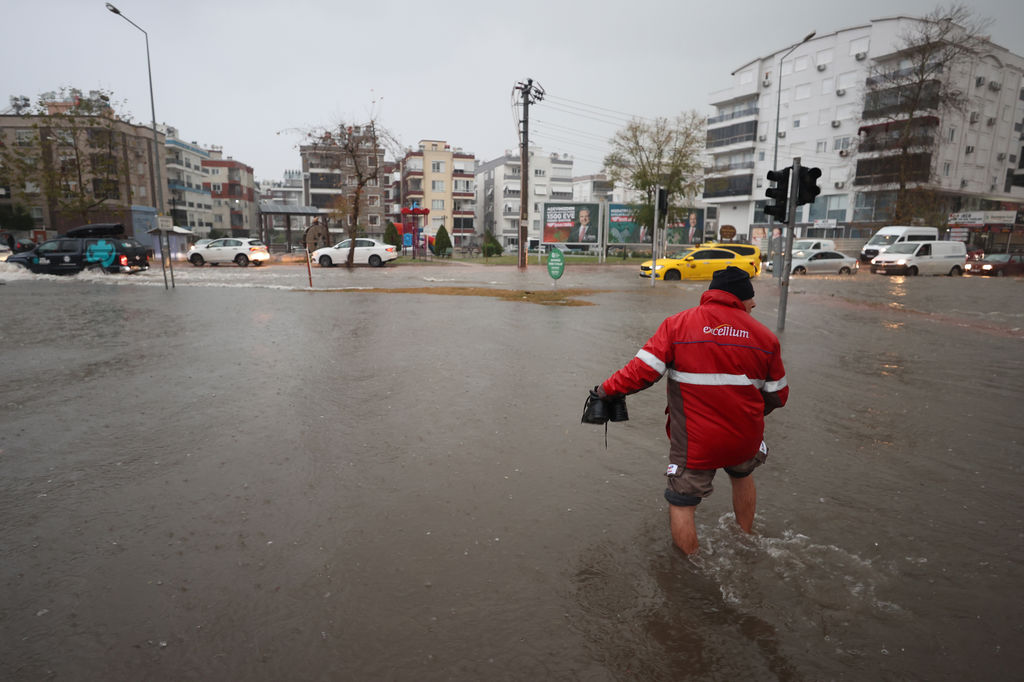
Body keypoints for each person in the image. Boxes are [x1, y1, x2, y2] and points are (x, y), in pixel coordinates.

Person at [588, 266, 788, 555]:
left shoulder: (678, 326)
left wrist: (605, 390)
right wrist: (751, 415)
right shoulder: (766, 338)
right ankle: (746, 540)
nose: (754, 303)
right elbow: (778, 395)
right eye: (751, 297)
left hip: (697, 442)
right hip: (746, 436)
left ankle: (689, 573)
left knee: (681, 500)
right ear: (738, 298)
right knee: (742, 474)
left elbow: (641, 372)